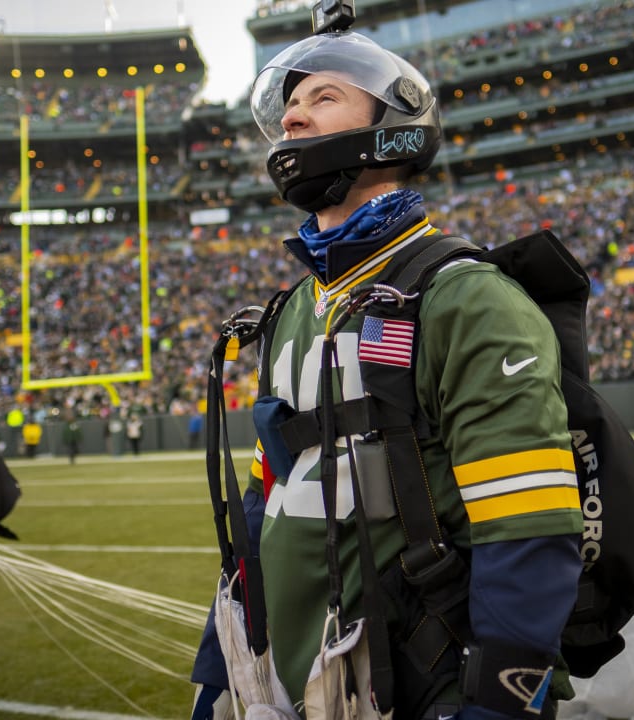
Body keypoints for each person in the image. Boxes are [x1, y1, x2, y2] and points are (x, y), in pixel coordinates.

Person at [190, 27, 584, 720]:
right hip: (290, 675)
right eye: (289, 103)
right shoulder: (289, 312)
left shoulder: (466, 296)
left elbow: (528, 526)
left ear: (394, 125)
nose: (291, 116)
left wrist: (496, 701)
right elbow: (264, 507)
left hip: (413, 674)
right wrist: (221, 663)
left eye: (325, 96)